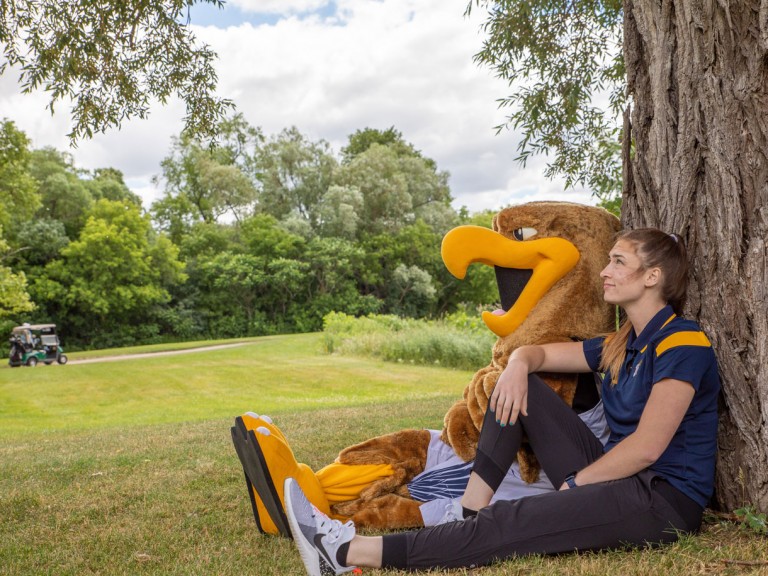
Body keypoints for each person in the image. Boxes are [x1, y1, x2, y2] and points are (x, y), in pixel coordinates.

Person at [283, 228, 720, 575]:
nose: (604, 270)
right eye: (608, 259)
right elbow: (539, 354)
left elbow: (648, 446)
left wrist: (576, 485)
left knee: (513, 521)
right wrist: (516, 367)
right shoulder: (622, 343)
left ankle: (344, 552)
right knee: (521, 385)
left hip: (662, 499)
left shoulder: (683, 342)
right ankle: (471, 509)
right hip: (617, 475)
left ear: (652, 277)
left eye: (618, 261)